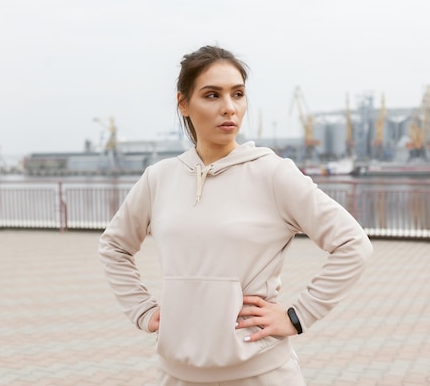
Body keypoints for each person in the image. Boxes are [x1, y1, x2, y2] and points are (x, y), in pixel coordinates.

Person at [98, 45, 373, 386]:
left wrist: (298, 315)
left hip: (260, 374)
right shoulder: (159, 178)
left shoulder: (272, 174)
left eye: (238, 94)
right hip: (176, 374)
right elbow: (114, 247)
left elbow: (353, 244)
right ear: (183, 103)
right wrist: (141, 309)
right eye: (212, 95)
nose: (229, 108)